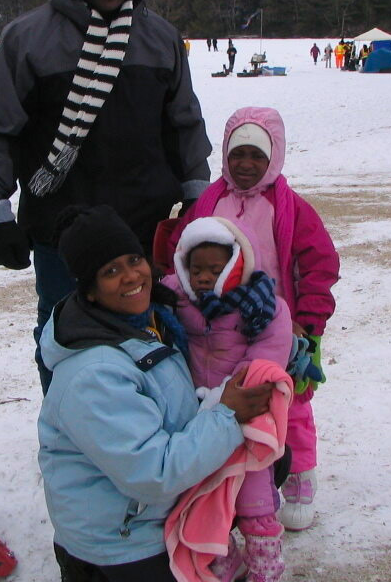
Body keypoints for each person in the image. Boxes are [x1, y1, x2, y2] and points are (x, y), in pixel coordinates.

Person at [0, 0, 212, 392]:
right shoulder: (28, 38)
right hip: (64, 230)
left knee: (157, 340)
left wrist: (197, 195)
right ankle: (71, 451)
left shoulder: (160, 37)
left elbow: (184, 123)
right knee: (67, 342)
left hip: (147, 226)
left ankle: (153, 444)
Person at [37, 204, 272, 582]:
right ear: (90, 290)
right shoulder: (93, 374)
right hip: (121, 543)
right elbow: (153, 472)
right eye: (110, 271)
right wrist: (226, 414)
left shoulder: (150, 322)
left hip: (154, 513)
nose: (132, 276)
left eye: (134, 260)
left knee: (276, 459)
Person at [162, 107, 340, 532]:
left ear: (274, 158)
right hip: (217, 324)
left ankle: (299, 473)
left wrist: (309, 323)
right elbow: (181, 247)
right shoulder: (209, 201)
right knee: (226, 397)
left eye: (256, 157)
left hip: (279, 325)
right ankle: (232, 475)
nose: (245, 165)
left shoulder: (290, 208)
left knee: (288, 401)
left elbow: (319, 264)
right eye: (237, 154)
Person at [163, 216, 293, 581]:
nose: (203, 278)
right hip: (195, 419)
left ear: (237, 264)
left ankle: (266, 564)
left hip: (244, 415)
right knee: (201, 497)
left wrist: (228, 397)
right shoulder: (176, 298)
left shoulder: (262, 306)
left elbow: (267, 354)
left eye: (215, 269)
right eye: (196, 269)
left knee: (255, 500)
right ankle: (223, 559)